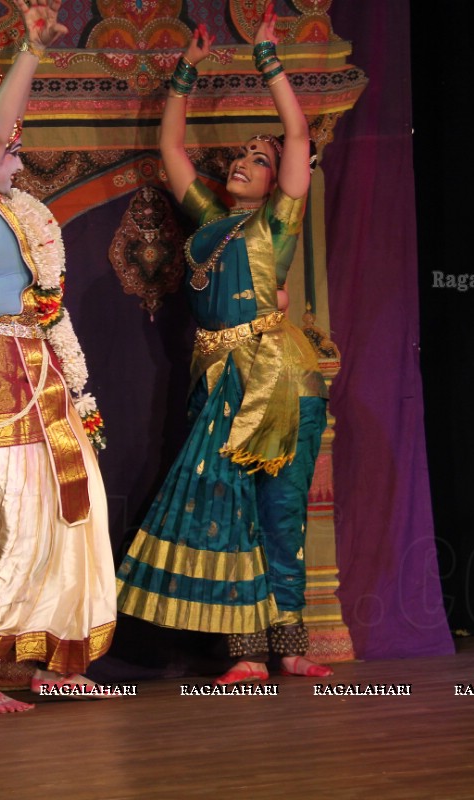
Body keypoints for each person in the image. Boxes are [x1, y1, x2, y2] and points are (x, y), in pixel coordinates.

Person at [115, 8, 334, 685]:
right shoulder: (210, 223)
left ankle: (290, 646)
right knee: (227, 510)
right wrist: (187, 70)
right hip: (221, 381)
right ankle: (247, 655)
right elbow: (172, 149)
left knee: (281, 510)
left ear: (277, 183)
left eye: (258, 159)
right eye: (241, 155)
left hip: (281, 379)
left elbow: (298, 132)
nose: (244, 162)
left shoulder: (278, 224)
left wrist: (268, 58)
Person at [0, 0, 115, 713]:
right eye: (8, 148)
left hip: (40, 370)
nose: (18, 153)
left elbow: (49, 304)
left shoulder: (16, 212)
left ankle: (54, 657)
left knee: (78, 508)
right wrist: (31, 51)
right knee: (18, 517)